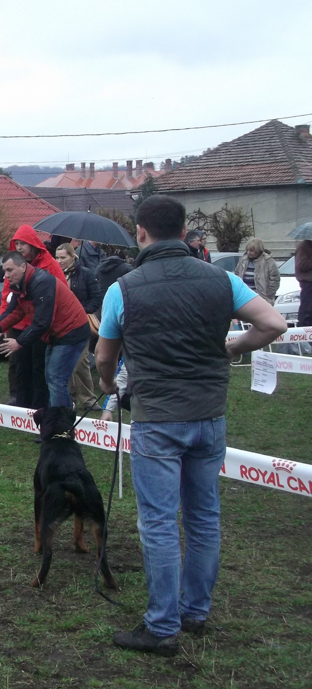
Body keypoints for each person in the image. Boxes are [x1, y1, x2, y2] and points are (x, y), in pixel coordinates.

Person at [96, 195, 287, 656]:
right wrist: (232, 348)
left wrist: (107, 385)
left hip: (157, 420)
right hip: (209, 416)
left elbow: (104, 356)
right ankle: (194, 612)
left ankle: (162, 626)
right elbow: (274, 323)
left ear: (140, 233)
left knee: (159, 522)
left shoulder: (123, 289)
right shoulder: (221, 279)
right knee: (203, 518)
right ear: (184, 233)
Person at [0, 252, 90, 408]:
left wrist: (19, 342)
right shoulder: (19, 284)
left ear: (23, 267)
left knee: (56, 378)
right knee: (50, 377)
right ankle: (59, 414)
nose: (6, 275)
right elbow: (15, 311)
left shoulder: (42, 283)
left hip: (72, 332)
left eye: (10, 270)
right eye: (5, 270)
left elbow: (42, 322)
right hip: (56, 334)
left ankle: (61, 419)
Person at [0, 225, 66, 408]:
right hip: (19, 325)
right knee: (20, 368)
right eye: (17, 244)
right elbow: (6, 297)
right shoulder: (13, 266)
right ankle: (22, 407)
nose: (19, 247)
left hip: (41, 327)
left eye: (23, 243)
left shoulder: (50, 264)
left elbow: (62, 293)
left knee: (39, 368)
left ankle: (39, 409)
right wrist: (3, 325)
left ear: (33, 244)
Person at [56, 243, 102, 411]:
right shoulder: (53, 274)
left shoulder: (86, 274)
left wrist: (80, 310)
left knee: (80, 362)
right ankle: (70, 398)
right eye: (57, 257)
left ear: (72, 256)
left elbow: (96, 298)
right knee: (63, 362)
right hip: (60, 325)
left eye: (63, 257)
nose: (59, 261)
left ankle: (89, 399)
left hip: (80, 324)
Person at [233, 238, 280, 304]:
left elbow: (275, 279)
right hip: (244, 297)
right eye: (247, 250)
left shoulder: (268, 261)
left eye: (251, 250)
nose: (248, 252)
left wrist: (268, 296)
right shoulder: (243, 259)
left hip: (261, 298)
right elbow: (237, 275)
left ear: (258, 250)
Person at [297, 238, 312, 327]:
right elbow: (302, 265)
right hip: (308, 283)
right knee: (307, 311)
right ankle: (304, 331)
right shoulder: (304, 246)